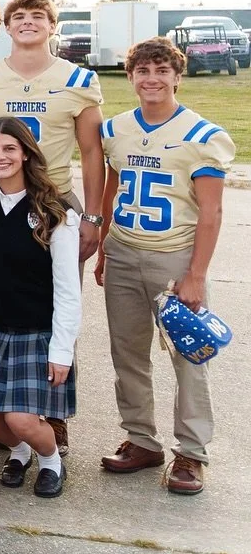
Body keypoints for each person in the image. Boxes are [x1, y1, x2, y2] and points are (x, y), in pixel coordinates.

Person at [0, 0, 104, 453]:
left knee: (57, 299)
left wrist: (93, 215)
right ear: (6, 27)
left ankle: (53, 412)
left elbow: (91, 153)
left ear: (52, 25)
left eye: (37, 16)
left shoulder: (78, 79)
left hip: (54, 197)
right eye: (19, 16)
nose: (27, 22)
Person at [96, 37, 234, 495]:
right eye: (142, 71)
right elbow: (110, 192)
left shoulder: (201, 135)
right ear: (130, 75)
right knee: (127, 352)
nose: (151, 79)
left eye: (161, 71)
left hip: (174, 256)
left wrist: (195, 274)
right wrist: (102, 248)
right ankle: (141, 440)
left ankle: (192, 453)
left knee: (188, 356)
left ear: (178, 75)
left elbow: (211, 213)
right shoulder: (115, 128)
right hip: (123, 250)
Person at [0, 118, 80, 499]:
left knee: (21, 418)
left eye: (10, 149)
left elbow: (67, 290)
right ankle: (19, 452)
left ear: (27, 153)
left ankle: (49, 460)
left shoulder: (55, 211)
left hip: (36, 332)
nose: (0, 157)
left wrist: (62, 350)